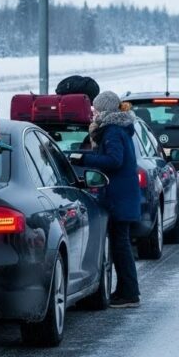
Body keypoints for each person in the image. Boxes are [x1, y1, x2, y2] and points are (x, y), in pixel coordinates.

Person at [71, 91, 142, 308]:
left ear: (105, 109)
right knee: (121, 246)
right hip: (122, 196)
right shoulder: (119, 129)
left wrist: (83, 158)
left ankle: (129, 294)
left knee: (120, 246)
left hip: (118, 197)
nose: (94, 112)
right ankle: (126, 291)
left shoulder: (112, 131)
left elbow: (114, 160)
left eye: (96, 108)